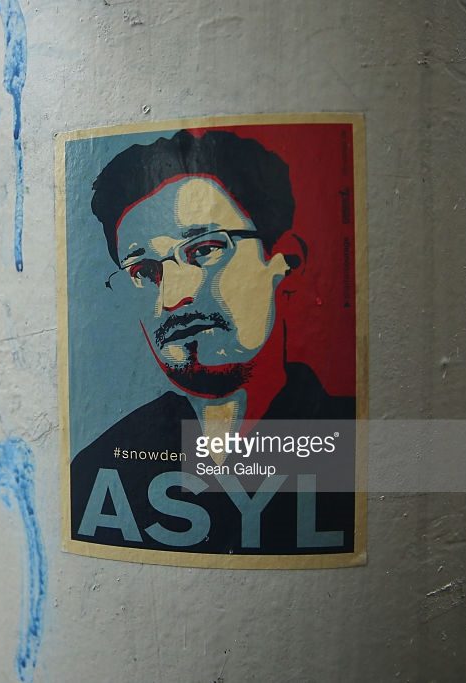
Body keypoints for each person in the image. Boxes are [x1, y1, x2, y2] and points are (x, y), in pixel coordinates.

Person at [69, 129, 355, 555]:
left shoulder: (352, 437)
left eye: (203, 250)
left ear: (283, 260)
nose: (173, 296)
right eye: (144, 272)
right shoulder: (98, 465)